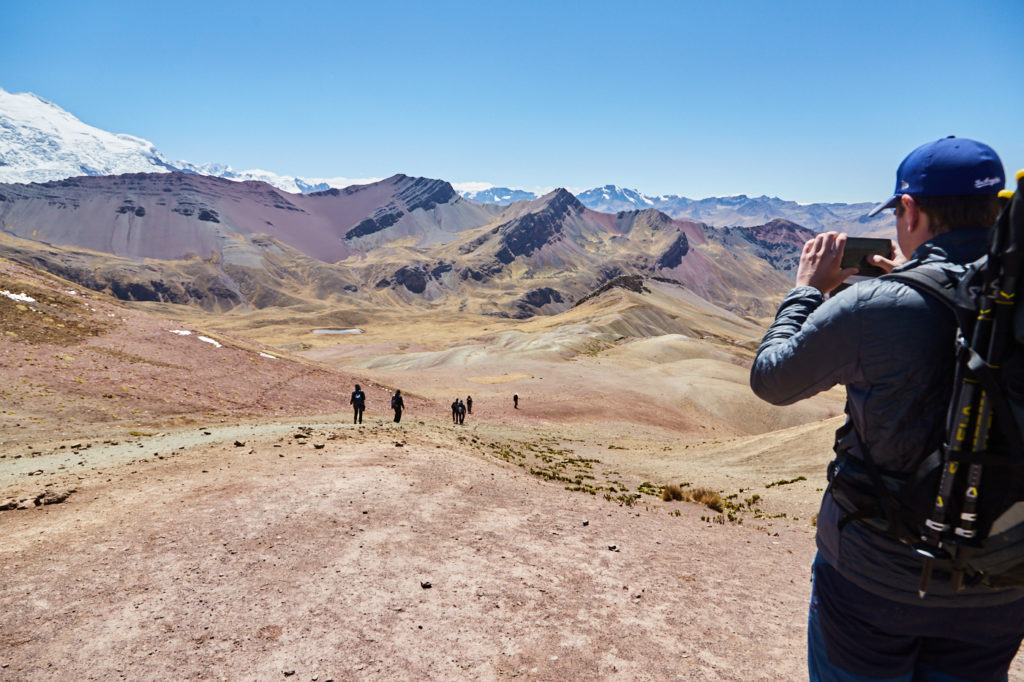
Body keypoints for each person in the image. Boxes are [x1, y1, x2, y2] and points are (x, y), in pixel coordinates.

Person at [749, 137, 1024, 681]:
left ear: (911, 209)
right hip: (1000, 583)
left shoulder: (874, 305)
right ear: (998, 209)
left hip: (873, 580)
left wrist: (805, 291)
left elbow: (772, 380)